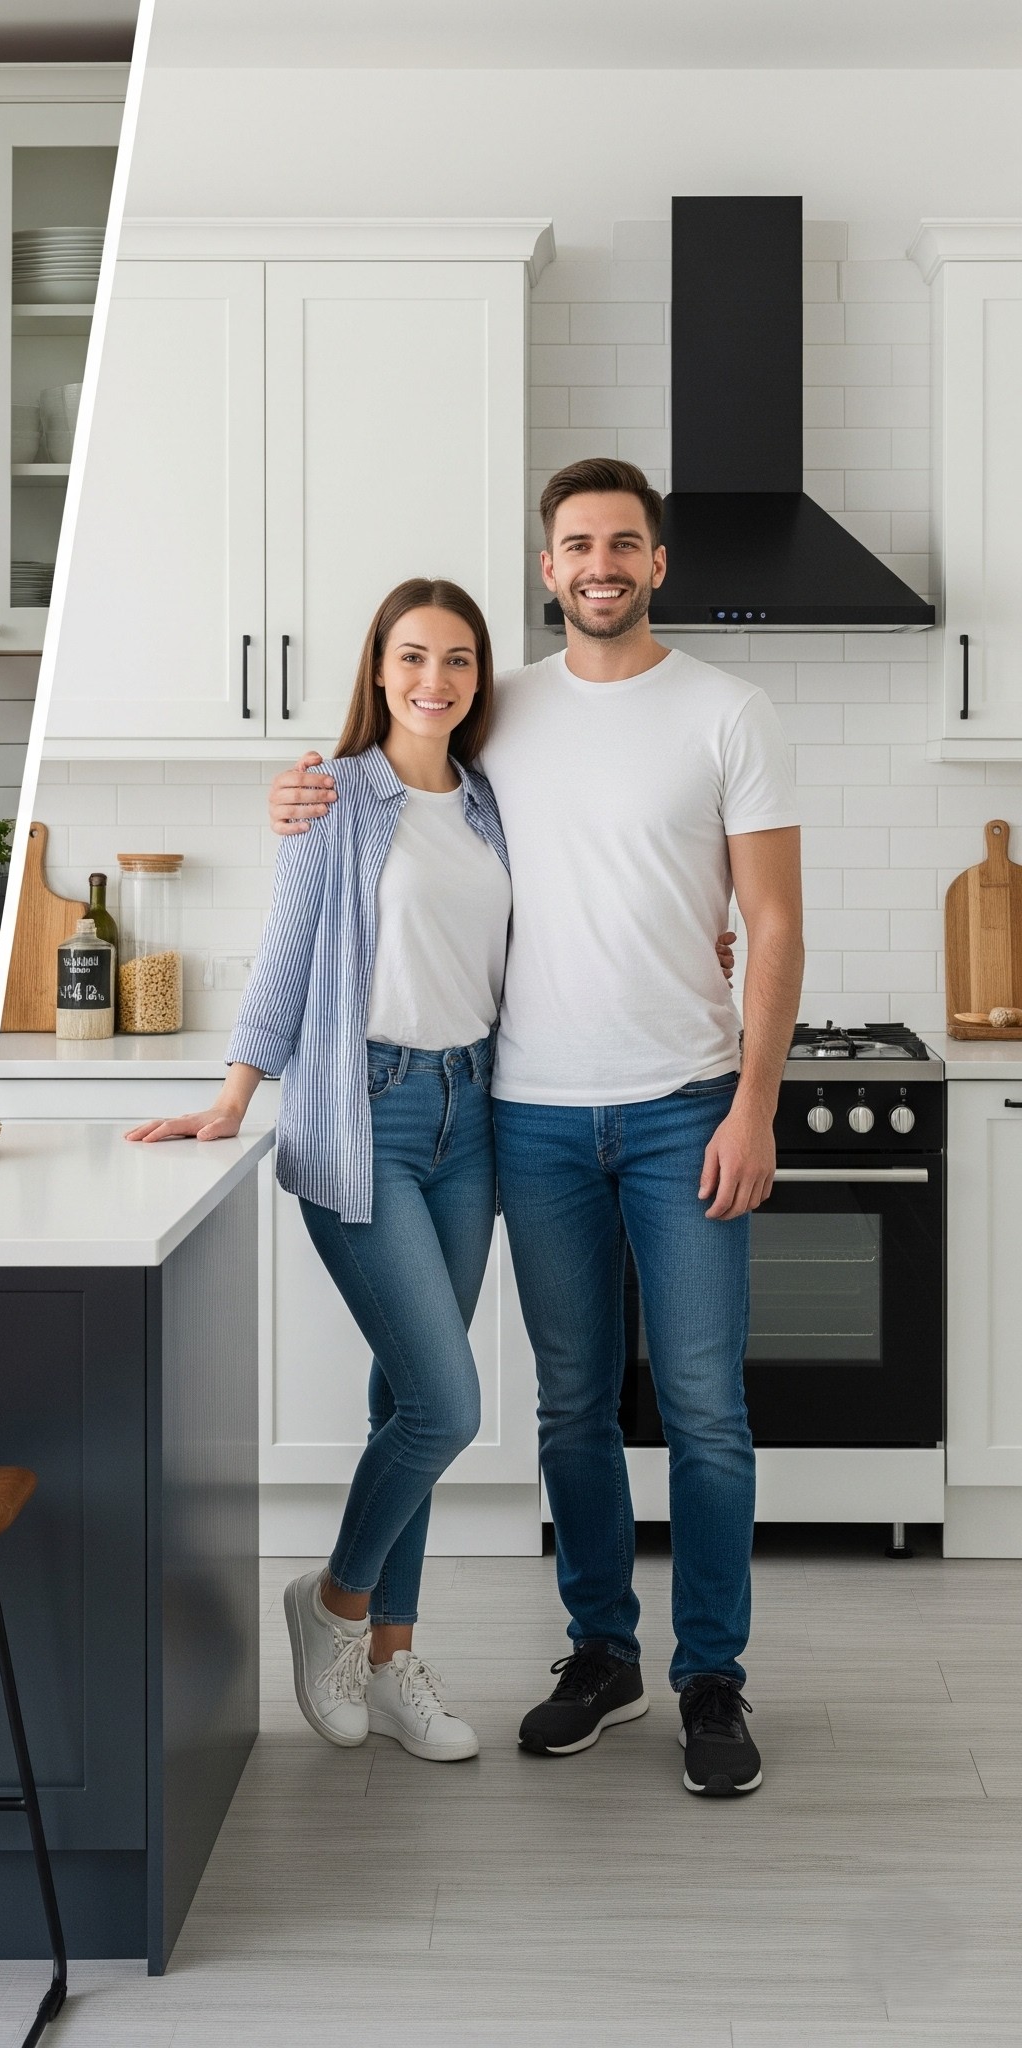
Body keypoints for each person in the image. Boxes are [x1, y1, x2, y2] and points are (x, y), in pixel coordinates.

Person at [267, 458, 803, 1797]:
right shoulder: (501, 716)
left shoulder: (732, 712)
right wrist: (302, 796)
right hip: (529, 1116)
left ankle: (712, 1679)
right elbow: (393, 782)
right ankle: (600, 1658)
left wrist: (755, 1099)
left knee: (704, 1409)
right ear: (549, 568)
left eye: (625, 542)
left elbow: (777, 923)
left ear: (657, 563)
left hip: (688, 1104)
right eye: (576, 544)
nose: (600, 562)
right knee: (571, 1404)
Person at [131, 580, 510, 1763]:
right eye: (410, 657)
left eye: (455, 659)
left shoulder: (495, 802)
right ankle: (331, 1604)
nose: (432, 679)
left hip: (472, 1117)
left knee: (408, 1400)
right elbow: (288, 951)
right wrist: (236, 1091)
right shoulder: (334, 795)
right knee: (448, 1403)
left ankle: (389, 1661)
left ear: (476, 676)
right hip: (367, 1114)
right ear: (377, 669)